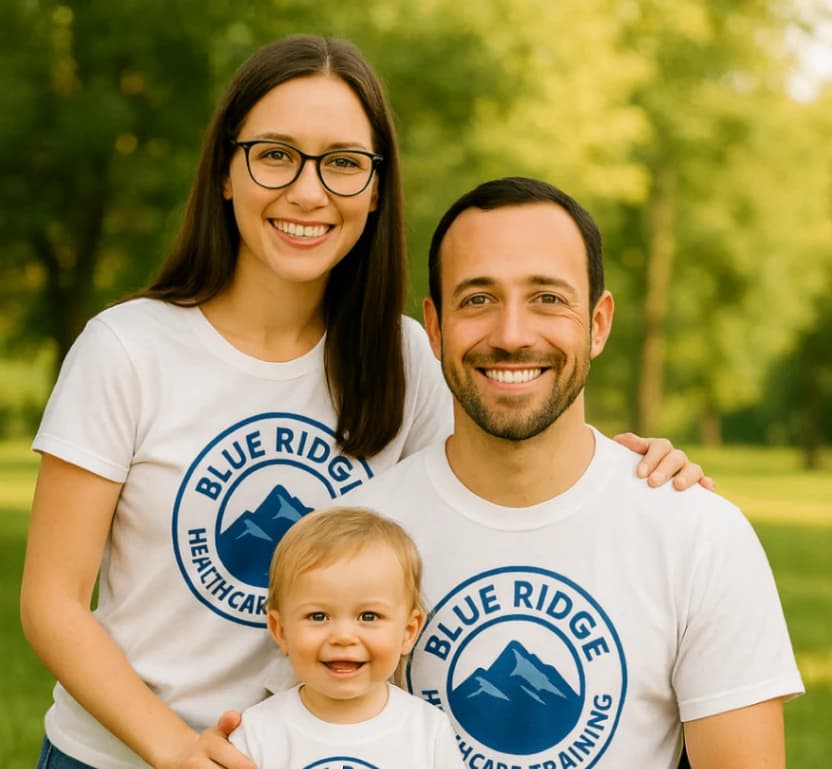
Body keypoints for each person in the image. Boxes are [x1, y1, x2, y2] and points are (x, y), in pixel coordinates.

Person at [19, 35, 707, 769]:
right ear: (226, 170)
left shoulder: (407, 357)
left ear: (377, 188)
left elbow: (496, 491)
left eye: (344, 163)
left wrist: (623, 469)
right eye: (275, 154)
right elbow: (52, 601)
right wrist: (176, 750)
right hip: (119, 755)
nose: (308, 192)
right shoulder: (127, 348)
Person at [343, 177, 805, 768]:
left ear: (599, 322)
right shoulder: (355, 538)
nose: (512, 335)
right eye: (478, 299)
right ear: (434, 327)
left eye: (548, 298)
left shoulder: (700, 536)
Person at [227, 506, 464, 769]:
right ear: (280, 630)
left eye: (369, 616)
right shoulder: (258, 731)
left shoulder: (427, 731)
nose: (343, 637)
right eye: (318, 616)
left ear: (408, 631)